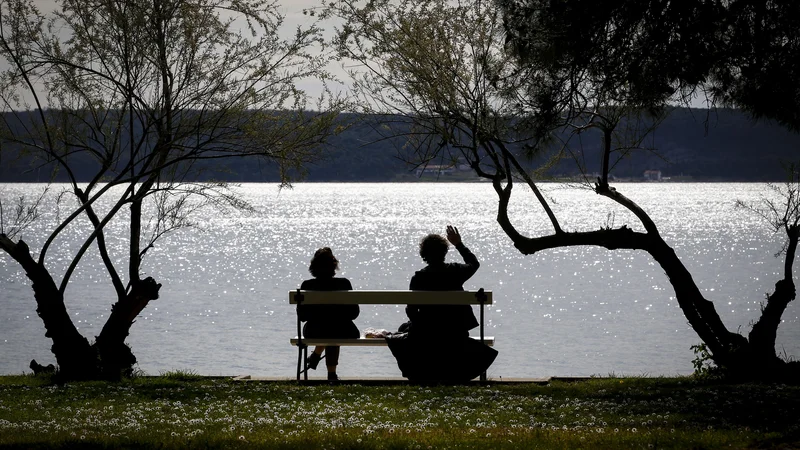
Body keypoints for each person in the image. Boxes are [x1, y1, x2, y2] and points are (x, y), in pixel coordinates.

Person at [387, 225, 498, 381]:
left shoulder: (418, 278)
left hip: (427, 332)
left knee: (404, 329)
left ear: (424, 254)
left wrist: (420, 322)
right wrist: (459, 244)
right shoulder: (456, 271)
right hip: (455, 330)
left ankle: (424, 371)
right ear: (444, 252)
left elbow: (411, 311)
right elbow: (474, 264)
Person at [298, 247, 359, 381]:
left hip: (314, 331)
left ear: (313, 266)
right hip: (343, 330)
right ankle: (331, 374)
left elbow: (302, 316)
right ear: (334, 265)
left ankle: (316, 355)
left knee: (327, 329)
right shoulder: (344, 283)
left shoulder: (307, 285)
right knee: (333, 330)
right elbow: (354, 313)